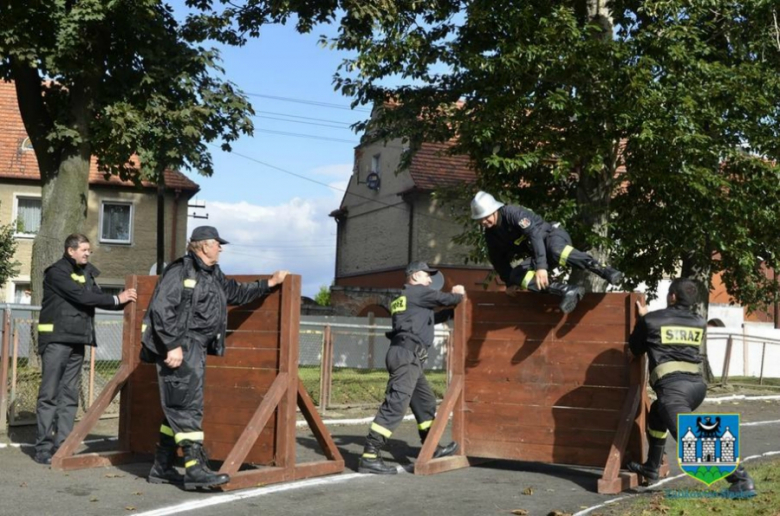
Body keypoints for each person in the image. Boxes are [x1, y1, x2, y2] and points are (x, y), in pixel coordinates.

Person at [141, 226, 289, 490]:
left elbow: (237, 293)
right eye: (217, 243)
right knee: (187, 406)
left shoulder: (213, 274)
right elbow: (161, 309)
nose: (220, 247)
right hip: (181, 345)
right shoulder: (180, 271)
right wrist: (172, 346)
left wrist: (270, 283)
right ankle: (194, 469)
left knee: (179, 406)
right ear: (202, 245)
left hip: (194, 347)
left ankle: (162, 466)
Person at [625, 278, 755, 496]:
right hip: (696, 388)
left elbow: (635, 348)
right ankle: (652, 467)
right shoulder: (698, 321)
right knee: (657, 415)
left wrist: (644, 319)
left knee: (691, 436)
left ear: (673, 296)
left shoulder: (652, 320)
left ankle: (741, 479)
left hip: (673, 388)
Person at [34, 234, 137, 465]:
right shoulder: (56, 272)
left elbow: (97, 298)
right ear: (70, 251)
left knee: (69, 394)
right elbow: (82, 296)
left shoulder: (87, 272)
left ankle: (63, 446)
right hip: (56, 339)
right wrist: (116, 299)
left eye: (89, 250)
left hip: (77, 340)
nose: (88, 253)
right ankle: (43, 447)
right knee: (49, 394)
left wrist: (124, 303)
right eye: (84, 249)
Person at [358, 262, 465, 474]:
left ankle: (431, 447)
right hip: (407, 356)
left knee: (424, 401)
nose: (430, 281)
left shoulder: (406, 298)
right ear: (415, 277)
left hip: (407, 356)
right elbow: (447, 299)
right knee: (396, 405)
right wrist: (458, 294)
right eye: (427, 277)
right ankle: (370, 455)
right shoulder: (418, 292)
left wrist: (449, 314)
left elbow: (428, 319)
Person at [470, 191, 623, 313]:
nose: (484, 222)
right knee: (516, 275)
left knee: (556, 251)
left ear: (495, 210)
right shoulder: (491, 235)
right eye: (480, 220)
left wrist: (541, 267)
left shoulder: (513, 213)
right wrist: (509, 282)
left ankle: (604, 270)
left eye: (486, 217)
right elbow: (498, 260)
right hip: (538, 253)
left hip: (552, 237)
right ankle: (567, 291)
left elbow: (535, 235)